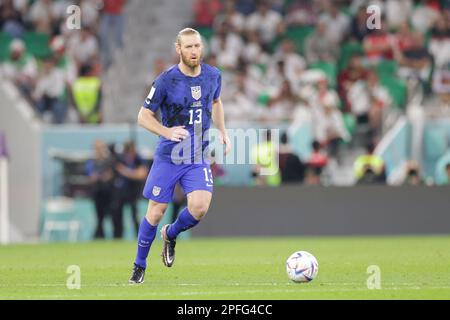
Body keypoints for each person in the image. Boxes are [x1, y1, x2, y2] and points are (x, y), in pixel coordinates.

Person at [129, 28, 231, 284]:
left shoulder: (213, 75)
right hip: (169, 156)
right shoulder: (165, 80)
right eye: (188, 47)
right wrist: (165, 130)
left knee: (199, 208)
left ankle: (171, 234)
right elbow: (143, 116)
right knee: (155, 212)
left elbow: (216, 102)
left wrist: (223, 132)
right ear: (179, 49)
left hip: (197, 156)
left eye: (197, 46)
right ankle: (139, 266)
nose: (194, 51)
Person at [85, 140, 114, 239]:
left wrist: (105, 176)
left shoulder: (109, 161)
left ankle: (114, 236)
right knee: (99, 216)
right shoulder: (91, 161)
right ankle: (99, 236)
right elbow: (90, 176)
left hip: (108, 192)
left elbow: (111, 175)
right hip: (97, 192)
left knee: (111, 215)